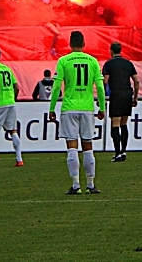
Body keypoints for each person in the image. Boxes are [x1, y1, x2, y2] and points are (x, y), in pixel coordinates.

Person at [48, 31, 105, 194]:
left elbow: (57, 87)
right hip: (87, 108)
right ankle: (91, 184)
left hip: (69, 108)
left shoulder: (63, 61)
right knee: (88, 147)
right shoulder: (93, 61)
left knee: (72, 147)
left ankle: (75, 186)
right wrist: (102, 107)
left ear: (70, 44)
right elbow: (100, 88)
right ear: (84, 44)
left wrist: (52, 108)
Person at [103, 42, 139, 162]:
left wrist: (102, 97)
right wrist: (135, 97)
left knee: (115, 124)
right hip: (127, 93)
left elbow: (105, 82)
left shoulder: (109, 64)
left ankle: (117, 152)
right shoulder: (128, 63)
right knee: (124, 123)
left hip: (117, 94)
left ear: (111, 51)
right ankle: (123, 151)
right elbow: (136, 81)